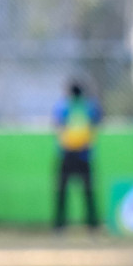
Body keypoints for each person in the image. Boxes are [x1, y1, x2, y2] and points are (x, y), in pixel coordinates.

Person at [52, 80, 102, 231]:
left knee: (61, 191)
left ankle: (59, 226)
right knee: (88, 192)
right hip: (84, 153)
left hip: (66, 153)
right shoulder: (89, 106)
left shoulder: (64, 105)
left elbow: (57, 124)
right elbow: (97, 121)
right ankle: (92, 225)